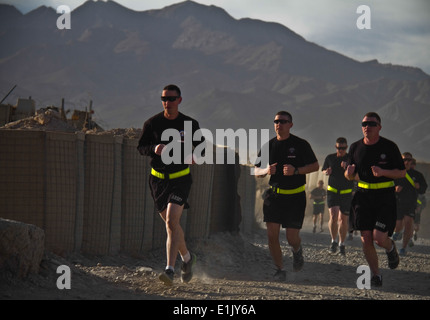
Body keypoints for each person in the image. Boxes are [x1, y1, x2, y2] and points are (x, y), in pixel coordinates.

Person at [137, 84, 203, 286]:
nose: (168, 102)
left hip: (180, 179)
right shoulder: (152, 123)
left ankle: (169, 269)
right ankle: (188, 259)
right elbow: (141, 147)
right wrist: (154, 148)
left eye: (172, 99)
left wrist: (195, 156)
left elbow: (201, 149)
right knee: (172, 225)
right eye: (164, 99)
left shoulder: (190, 124)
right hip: (157, 180)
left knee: (171, 223)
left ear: (180, 100)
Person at [255, 111, 319, 281]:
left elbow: (315, 166)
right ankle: (280, 269)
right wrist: (266, 171)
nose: (279, 124)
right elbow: (256, 171)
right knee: (271, 235)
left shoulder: (300, 144)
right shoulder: (268, 146)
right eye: (276, 121)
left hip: (295, 197)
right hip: (274, 196)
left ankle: (297, 251)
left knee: (292, 237)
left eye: (283, 121)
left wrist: (296, 171)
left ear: (291, 124)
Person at [345, 112, 405, 287]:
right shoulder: (355, 147)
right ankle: (376, 275)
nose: (367, 127)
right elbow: (350, 174)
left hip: (384, 197)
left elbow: (401, 172)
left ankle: (390, 248)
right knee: (365, 237)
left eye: (371, 124)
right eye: (364, 124)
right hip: (362, 197)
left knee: (379, 238)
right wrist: (348, 175)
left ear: (379, 127)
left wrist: (383, 172)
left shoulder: (389, 147)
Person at [322, 137, 354, 255]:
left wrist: (348, 168)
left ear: (346, 147)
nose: (341, 150)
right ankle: (333, 241)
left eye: (343, 148)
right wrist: (326, 172)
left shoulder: (350, 158)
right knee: (333, 215)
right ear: (335, 147)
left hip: (346, 192)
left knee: (343, 219)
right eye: (339, 148)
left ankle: (342, 243)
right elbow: (323, 170)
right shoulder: (330, 158)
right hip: (332, 191)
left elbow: (356, 173)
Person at [392, 153, 428, 254]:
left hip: (411, 204)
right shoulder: (396, 174)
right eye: (404, 160)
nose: (406, 162)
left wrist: (418, 187)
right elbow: (387, 187)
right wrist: (395, 189)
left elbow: (423, 189)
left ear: (412, 161)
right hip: (398, 203)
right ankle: (396, 232)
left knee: (408, 224)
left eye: (409, 160)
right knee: (398, 225)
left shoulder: (417, 175)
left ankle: (403, 248)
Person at [411, 159, 428, 242]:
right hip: (405, 203)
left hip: (417, 203)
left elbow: (423, 189)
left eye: (413, 163)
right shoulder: (401, 173)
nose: (411, 165)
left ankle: (414, 232)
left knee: (416, 224)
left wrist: (419, 206)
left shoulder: (418, 175)